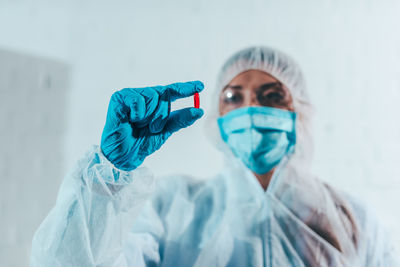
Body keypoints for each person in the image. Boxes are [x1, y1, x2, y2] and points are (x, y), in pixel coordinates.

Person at [30, 46, 399, 266]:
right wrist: (109, 177)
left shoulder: (354, 221)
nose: (251, 109)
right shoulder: (175, 207)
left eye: (272, 96)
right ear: (217, 119)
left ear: (299, 110)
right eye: (233, 98)